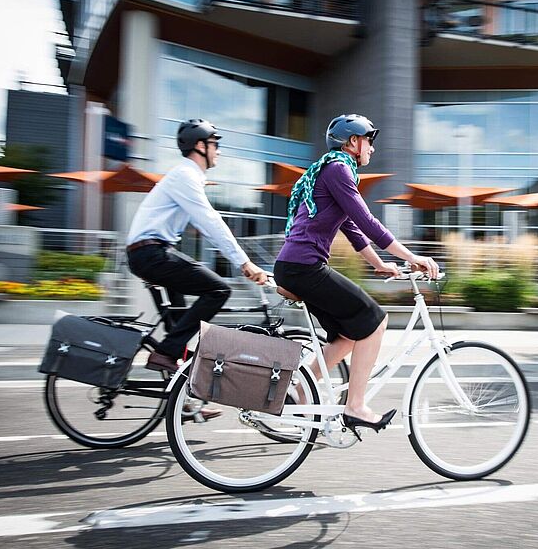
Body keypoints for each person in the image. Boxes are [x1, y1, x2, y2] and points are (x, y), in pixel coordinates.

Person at [273, 114, 440, 440]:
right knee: (374, 320)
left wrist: (380, 264)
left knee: (349, 335)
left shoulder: (331, 170)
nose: (372, 149)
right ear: (353, 142)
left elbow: (352, 229)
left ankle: (298, 391)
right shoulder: (339, 170)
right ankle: (356, 406)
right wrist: (411, 257)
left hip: (297, 267)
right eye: (369, 141)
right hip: (304, 268)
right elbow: (367, 222)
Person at [126, 118, 268, 375]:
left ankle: (184, 401)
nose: (218, 151)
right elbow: (210, 220)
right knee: (218, 290)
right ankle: (166, 354)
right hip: (151, 254)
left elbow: (202, 224)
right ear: (201, 146)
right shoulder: (185, 175)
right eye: (215, 144)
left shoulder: (186, 177)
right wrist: (244, 262)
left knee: (179, 327)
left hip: (149, 253)